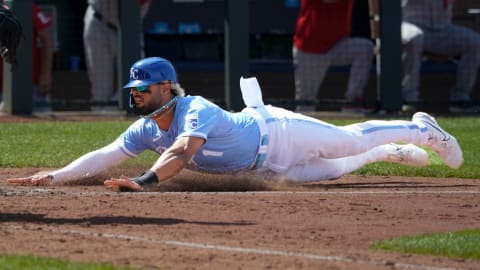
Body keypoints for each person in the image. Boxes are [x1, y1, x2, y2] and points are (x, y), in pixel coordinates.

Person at [7, 57, 463, 191]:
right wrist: (54, 176)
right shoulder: (148, 127)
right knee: (337, 172)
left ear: (167, 88)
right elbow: (105, 155)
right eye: (133, 90)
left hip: (280, 132)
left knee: (345, 141)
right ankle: (387, 153)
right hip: (269, 169)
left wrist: (144, 182)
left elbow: (181, 154)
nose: (136, 95)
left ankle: (422, 129)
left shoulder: (195, 109)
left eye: (143, 88)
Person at [293, 0, 375, 113]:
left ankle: (352, 101)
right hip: (311, 47)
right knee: (306, 104)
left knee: (364, 48)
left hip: (338, 44)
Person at [402, 0, 480, 113]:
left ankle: (460, 99)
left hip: (443, 29)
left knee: (474, 42)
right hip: (411, 23)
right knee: (414, 38)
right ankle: (409, 98)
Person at [83, 0, 151, 112]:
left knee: (136, 85)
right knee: (101, 93)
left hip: (130, 29)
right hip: (99, 22)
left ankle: (113, 114)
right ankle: (102, 117)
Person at [0, 1, 53, 112]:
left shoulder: (25, 5)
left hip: (30, 82)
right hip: (2, 86)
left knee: (42, 122)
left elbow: (47, 38)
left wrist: (46, 74)